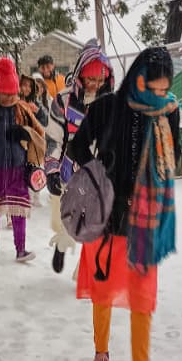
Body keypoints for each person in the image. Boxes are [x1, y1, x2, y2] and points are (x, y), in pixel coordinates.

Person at [68, 47, 180, 361]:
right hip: (107, 218)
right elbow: (78, 146)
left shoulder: (167, 114)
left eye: (164, 89)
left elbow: (173, 159)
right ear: (138, 78)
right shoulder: (105, 108)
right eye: (153, 87)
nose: (158, 95)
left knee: (143, 298)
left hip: (145, 222)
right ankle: (101, 355)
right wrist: (97, 176)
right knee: (102, 291)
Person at [44, 40, 114, 272]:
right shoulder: (64, 101)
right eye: (90, 79)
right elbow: (54, 138)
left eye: (100, 80)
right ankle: (62, 245)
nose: (95, 85)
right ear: (80, 77)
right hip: (71, 173)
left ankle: (85, 272)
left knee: (95, 223)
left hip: (100, 174)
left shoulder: (113, 105)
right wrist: (52, 169)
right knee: (70, 218)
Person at [0, 57, 46, 263]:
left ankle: (20, 249)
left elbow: (38, 131)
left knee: (19, 206)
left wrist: (24, 133)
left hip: (17, 165)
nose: (8, 98)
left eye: (12, 94)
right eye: (5, 94)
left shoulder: (20, 108)